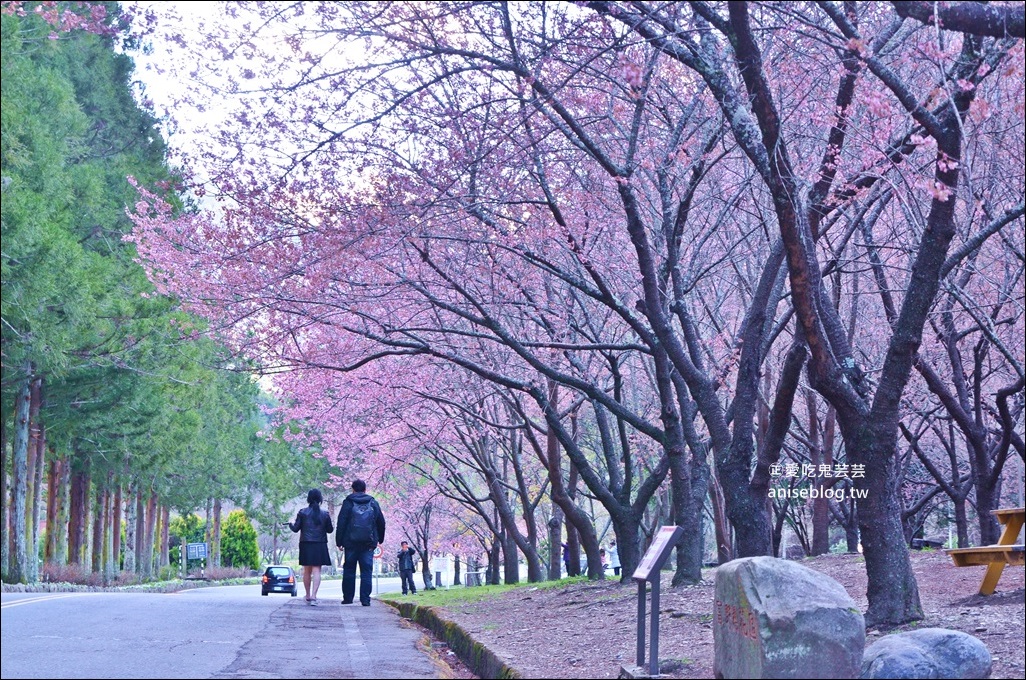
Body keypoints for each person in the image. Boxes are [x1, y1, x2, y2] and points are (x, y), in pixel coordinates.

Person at [335, 478, 386, 606]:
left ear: (352, 489)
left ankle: (348, 598)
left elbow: (341, 522)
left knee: (349, 570)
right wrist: (379, 539)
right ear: (365, 489)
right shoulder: (373, 502)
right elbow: (381, 522)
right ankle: (365, 599)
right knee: (366, 571)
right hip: (368, 543)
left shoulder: (348, 502)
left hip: (350, 543)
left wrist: (339, 541)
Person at [288, 488, 334, 605]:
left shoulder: (302, 512)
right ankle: (314, 596)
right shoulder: (325, 514)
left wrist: (290, 523)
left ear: (308, 499)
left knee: (306, 570)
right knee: (317, 570)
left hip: (306, 544)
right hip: (320, 544)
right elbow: (330, 530)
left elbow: (295, 529)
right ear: (320, 499)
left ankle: (307, 595)